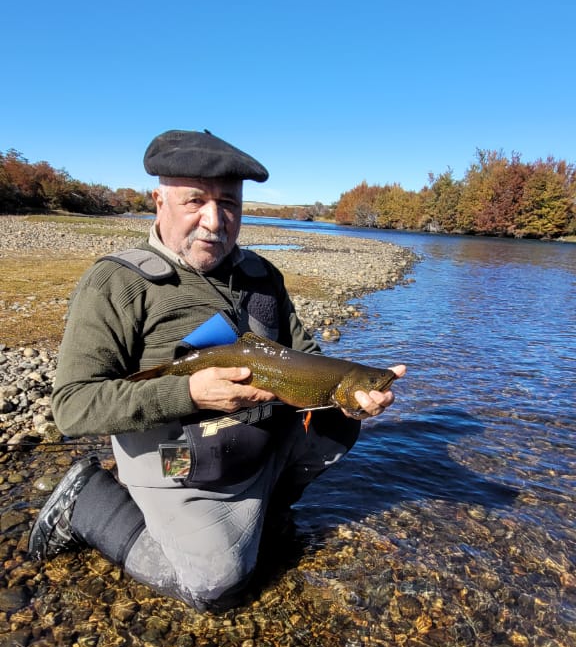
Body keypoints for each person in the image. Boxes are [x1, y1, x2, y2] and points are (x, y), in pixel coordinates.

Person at [29, 129, 404, 611]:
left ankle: (266, 510)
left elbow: (310, 355)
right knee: (216, 585)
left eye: (228, 203)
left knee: (335, 421)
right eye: (195, 201)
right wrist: (191, 394)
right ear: (158, 201)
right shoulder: (118, 283)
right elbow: (72, 407)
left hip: (255, 445)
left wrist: (357, 394)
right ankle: (87, 501)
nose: (214, 221)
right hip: (178, 459)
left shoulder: (263, 276)